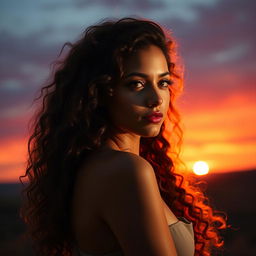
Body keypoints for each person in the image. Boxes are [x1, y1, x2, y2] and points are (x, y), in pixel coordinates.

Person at [20, 17, 226, 256]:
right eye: (136, 84)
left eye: (163, 82)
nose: (156, 99)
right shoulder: (126, 171)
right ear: (101, 92)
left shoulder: (96, 166)